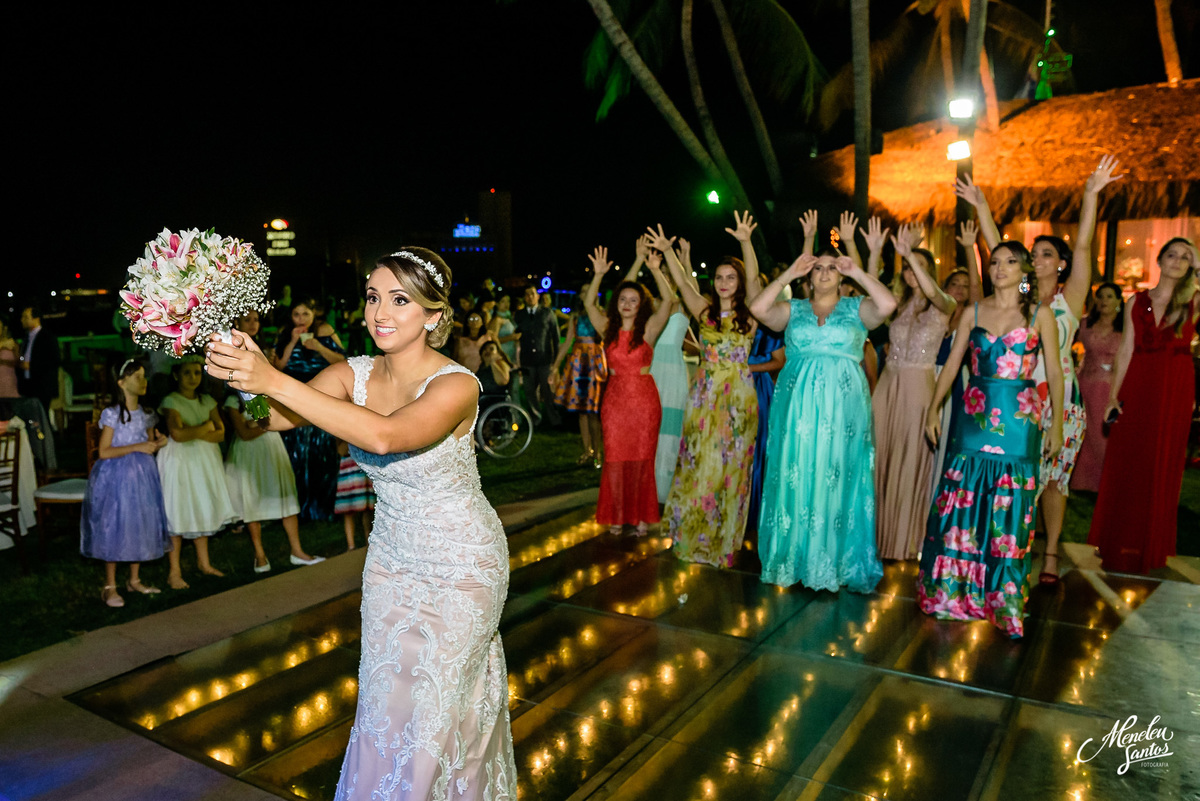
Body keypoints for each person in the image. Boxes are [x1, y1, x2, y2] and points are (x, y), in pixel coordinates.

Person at [205, 247, 516, 798]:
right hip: (391, 564)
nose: (380, 313)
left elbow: (385, 436)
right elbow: (270, 419)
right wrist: (247, 382)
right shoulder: (352, 373)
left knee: (437, 715)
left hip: (462, 567)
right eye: (373, 297)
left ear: (434, 315)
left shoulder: (457, 385)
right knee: (384, 710)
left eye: (400, 300)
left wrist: (273, 378)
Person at [956, 157, 1119, 582]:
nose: (1038, 259)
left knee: (1054, 482)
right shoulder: (1021, 298)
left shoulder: (1070, 299)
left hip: (1061, 401)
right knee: (1016, 478)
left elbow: (1083, 246)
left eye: (1047, 254)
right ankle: (1012, 548)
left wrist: (1090, 195)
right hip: (1018, 401)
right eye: (1034, 255)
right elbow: (997, 247)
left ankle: (1049, 555)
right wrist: (982, 205)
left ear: (1060, 264)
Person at [919, 240, 1064, 638]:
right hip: (974, 414)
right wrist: (933, 408)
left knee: (1009, 509)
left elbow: (1054, 372)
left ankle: (1004, 601)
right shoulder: (973, 311)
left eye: (1010, 261)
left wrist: (1055, 426)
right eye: (995, 261)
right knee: (962, 500)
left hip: (1019, 421)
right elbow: (953, 363)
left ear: (1024, 271)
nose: (1000, 268)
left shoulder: (1040, 313)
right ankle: (953, 593)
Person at [750, 247, 896, 592]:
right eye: (818, 268)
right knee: (798, 469)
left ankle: (834, 559)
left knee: (837, 474)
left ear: (841, 275)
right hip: (798, 410)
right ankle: (794, 556)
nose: (826, 273)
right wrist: (789, 274)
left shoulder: (857, 308)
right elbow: (758, 308)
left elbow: (888, 304)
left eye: (832, 268)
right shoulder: (793, 309)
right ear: (809, 275)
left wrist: (857, 271)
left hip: (843, 409)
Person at [648, 213, 761, 567]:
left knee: (732, 469)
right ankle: (693, 535)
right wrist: (668, 252)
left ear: (739, 282)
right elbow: (683, 283)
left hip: (739, 399)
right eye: (720, 277)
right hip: (705, 397)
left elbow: (755, 279)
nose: (724, 282)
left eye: (731, 277)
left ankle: (723, 540)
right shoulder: (704, 311)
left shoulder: (751, 314)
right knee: (699, 462)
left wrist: (746, 242)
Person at [1088, 238, 1198, 574]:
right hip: (1137, 383)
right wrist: (1112, 397)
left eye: (1185, 257)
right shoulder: (1136, 300)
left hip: (1175, 387)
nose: (1177, 261)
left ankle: (1152, 547)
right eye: (1172, 254)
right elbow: (1125, 350)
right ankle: (1116, 541)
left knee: (1162, 463)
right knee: (1128, 460)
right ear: (1159, 260)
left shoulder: (1194, 301)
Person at [870, 222, 956, 561]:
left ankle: (905, 538)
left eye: (918, 266)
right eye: (906, 267)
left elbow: (935, 294)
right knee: (880, 456)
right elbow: (871, 298)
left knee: (909, 459)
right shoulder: (896, 303)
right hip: (888, 385)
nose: (910, 271)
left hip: (919, 386)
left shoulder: (944, 304)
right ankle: (876, 535)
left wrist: (909, 255)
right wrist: (877, 252)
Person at [583, 245, 675, 534]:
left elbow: (669, 300)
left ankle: (640, 517)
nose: (627, 303)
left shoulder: (649, 329)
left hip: (644, 402)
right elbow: (588, 304)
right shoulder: (607, 327)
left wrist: (656, 269)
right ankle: (618, 514)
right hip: (615, 402)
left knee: (642, 459)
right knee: (615, 458)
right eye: (623, 299)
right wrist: (599, 275)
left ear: (641, 305)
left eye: (633, 300)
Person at [81, 359, 170, 607]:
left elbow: (150, 442)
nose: (144, 381)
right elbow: (104, 451)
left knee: (138, 522)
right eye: (137, 377)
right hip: (116, 477)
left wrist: (159, 442)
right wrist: (137, 447)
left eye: (144, 376)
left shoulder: (147, 414)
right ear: (121, 383)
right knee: (114, 525)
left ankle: (134, 579)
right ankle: (110, 585)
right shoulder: (112, 414)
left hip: (141, 477)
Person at [158, 357, 238, 589]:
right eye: (187, 373)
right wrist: (205, 427)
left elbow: (220, 433)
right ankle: (174, 572)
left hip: (204, 461)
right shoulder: (171, 401)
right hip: (180, 461)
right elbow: (177, 434)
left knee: (201, 505)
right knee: (179, 508)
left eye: (196, 372)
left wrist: (194, 431)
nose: (193, 378)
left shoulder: (208, 401)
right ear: (176, 375)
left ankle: (204, 563)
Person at [274, 298, 346, 521]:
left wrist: (319, 347)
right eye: (296, 314)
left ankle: (322, 507)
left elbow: (343, 361)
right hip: (293, 398)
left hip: (321, 395)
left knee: (321, 453)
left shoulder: (325, 330)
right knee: (295, 454)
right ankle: (297, 508)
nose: (301, 319)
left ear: (314, 314)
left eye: (305, 314)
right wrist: (292, 341)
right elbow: (278, 367)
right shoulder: (285, 332)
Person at [930, 232, 985, 499]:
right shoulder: (933, 315)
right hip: (927, 377)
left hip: (956, 382)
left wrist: (969, 249)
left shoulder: (973, 318)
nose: (960, 289)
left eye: (965, 285)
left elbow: (977, 294)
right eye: (955, 284)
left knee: (949, 436)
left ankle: (945, 492)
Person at [646, 246, 692, 504]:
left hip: (674, 370)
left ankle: (668, 486)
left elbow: (691, 289)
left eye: (669, 272)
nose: (666, 276)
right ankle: (648, 486)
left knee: (671, 427)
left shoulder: (685, 305)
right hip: (654, 369)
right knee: (652, 425)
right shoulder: (655, 305)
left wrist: (686, 261)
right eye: (662, 273)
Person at [1071, 282, 1124, 492]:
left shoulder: (1125, 328)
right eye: (1100, 296)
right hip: (1085, 383)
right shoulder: (1085, 324)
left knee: (1104, 434)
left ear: (1119, 301)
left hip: (1110, 388)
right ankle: (1083, 480)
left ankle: (1108, 480)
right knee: (1085, 432)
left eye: (1109, 296)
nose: (1104, 301)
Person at [745, 278, 785, 532]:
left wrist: (749, 367)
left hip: (758, 386)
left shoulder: (770, 325)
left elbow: (779, 361)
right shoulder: (735, 319)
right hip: (731, 385)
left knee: (757, 447)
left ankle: (755, 512)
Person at [551, 289, 606, 466]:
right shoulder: (575, 317)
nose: (586, 293)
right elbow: (567, 341)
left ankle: (597, 453)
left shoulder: (602, 314)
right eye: (583, 291)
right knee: (582, 411)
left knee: (593, 412)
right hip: (579, 363)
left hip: (595, 363)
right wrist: (555, 366)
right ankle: (587, 450)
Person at [516, 284, 561, 426]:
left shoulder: (547, 313)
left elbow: (556, 337)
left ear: (538, 296)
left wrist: (556, 360)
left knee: (547, 391)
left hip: (545, 359)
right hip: (527, 360)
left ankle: (553, 418)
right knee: (529, 391)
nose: (530, 297)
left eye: (532, 294)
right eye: (527, 294)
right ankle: (536, 418)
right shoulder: (519, 315)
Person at [334, 440, 376, 552]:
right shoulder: (340, 434)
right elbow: (341, 450)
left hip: (363, 468)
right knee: (348, 509)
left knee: (368, 508)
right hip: (348, 471)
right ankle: (351, 546)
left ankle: (370, 542)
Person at [18, 304, 60, 412]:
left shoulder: (47, 337)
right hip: (28, 385)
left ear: (36, 319)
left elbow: (54, 360)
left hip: (42, 386)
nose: (22, 320)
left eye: (26, 317)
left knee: (41, 415)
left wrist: (31, 365)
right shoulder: (26, 338)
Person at [0, 320, 19, 399]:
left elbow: (20, 360)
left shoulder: (11, 343)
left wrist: (19, 356)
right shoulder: (4, 343)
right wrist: (2, 345)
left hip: (9, 380)